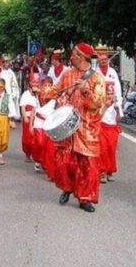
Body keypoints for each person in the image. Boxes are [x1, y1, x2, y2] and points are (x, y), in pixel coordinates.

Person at [53, 42, 106, 213]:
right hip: (68, 126)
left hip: (87, 127)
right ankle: (67, 187)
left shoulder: (97, 78)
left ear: (82, 57)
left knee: (88, 165)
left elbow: (98, 102)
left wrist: (85, 91)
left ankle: (85, 198)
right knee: (65, 161)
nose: (71, 56)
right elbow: (56, 90)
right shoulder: (67, 74)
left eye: (74, 54)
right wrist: (46, 93)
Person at [0, 77, 17, 167]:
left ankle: (0, 154)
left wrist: (12, 120)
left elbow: (12, 107)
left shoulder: (8, 97)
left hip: (5, 118)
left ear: (3, 87)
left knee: (4, 139)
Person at [99, 81, 122, 183]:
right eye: (107, 94)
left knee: (111, 150)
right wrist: (105, 106)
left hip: (112, 129)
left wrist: (117, 110)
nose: (109, 96)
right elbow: (98, 117)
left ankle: (110, 171)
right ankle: (102, 172)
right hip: (102, 128)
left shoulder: (116, 104)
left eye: (111, 94)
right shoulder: (100, 103)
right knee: (102, 150)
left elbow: (118, 119)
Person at [19, 73, 40, 162]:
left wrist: (38, 94)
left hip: (37, 118)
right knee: (27, 138)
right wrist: (25, 117)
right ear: (30, 83)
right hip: (27, 117)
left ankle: (36, 154)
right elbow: (23, 106)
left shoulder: (40, 93)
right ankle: (27, 153)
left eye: (36, 82)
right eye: (33, 82)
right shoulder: (26, 94)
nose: (35, 84)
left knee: (36, 137)